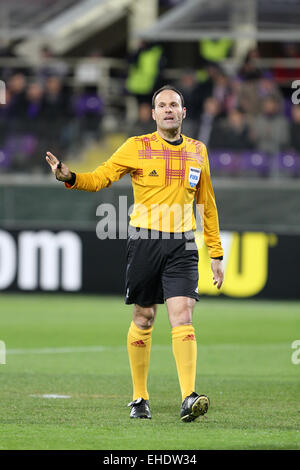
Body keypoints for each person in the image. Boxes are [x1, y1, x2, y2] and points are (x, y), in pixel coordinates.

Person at [45, 85, 224, 422]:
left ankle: (188, 396)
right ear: (153, 114)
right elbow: (100, 178)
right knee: (144, 318)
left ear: (183, 112)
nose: (169, 110)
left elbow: (207, 203)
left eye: (174, 104)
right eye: (162, 105)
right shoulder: (136, 147)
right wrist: (71, 177)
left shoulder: (198, 151)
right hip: (145, 241)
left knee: (182, 315)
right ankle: (139, 397)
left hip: (183, 243)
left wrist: (215, 251)